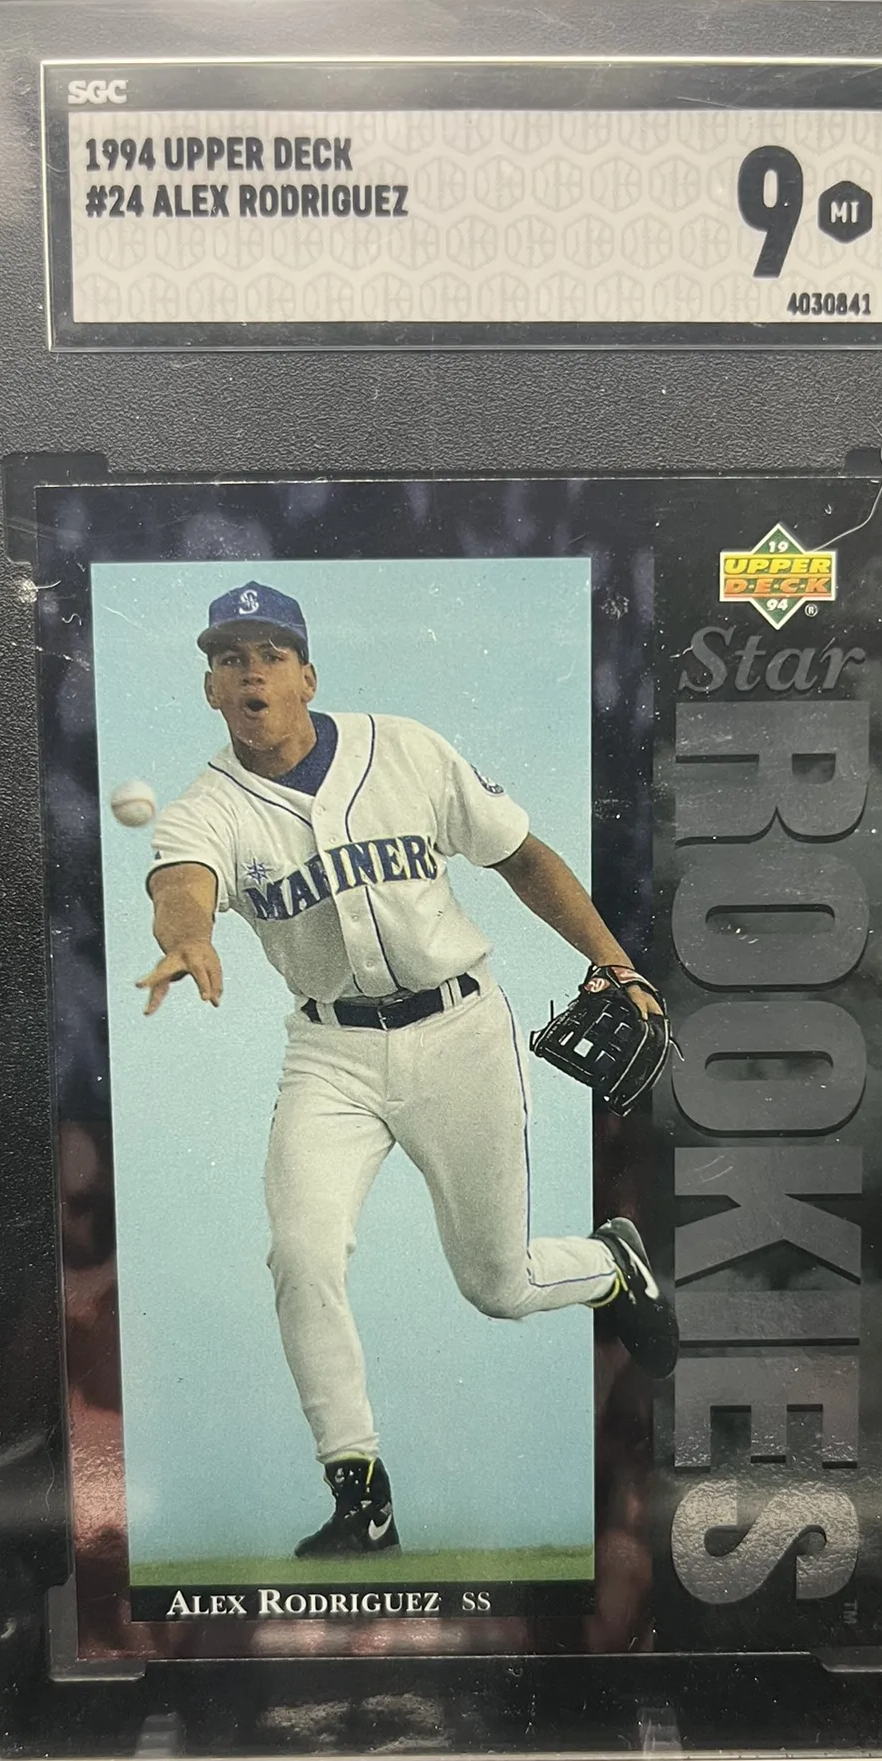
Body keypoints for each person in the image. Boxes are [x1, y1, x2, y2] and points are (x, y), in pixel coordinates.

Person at [140, 581, 677, 1559]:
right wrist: (187, 936)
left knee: (499, 1284)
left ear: (308, 675)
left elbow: (520, 855)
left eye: (270, 653)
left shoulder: (406, 750)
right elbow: (184, 882)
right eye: (229, 658)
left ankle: (612, 1265)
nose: (251, 671)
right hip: (331, 1055)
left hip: (458, 1032)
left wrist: (615, 960)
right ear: (210, 688)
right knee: (300, 1253)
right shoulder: (207, 807)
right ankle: (361, 1495)